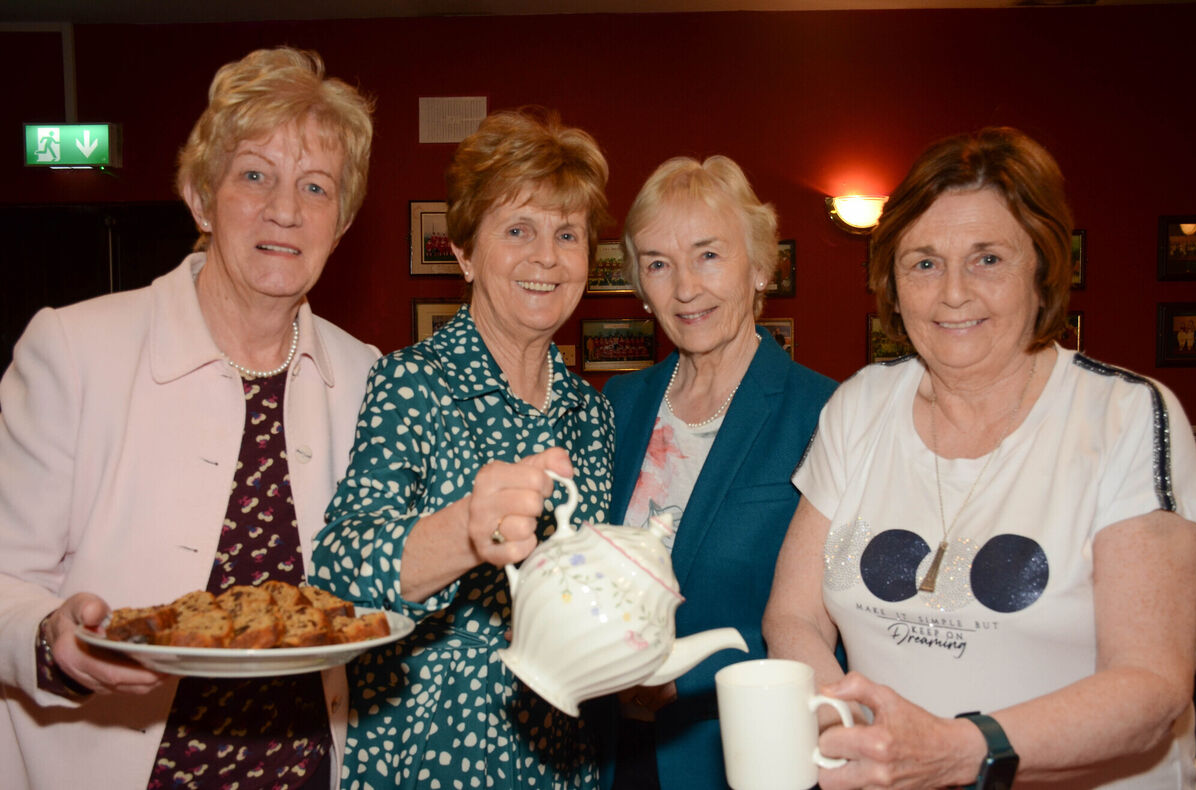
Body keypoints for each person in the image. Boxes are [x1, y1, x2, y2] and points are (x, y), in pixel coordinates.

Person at [763, 127, 1196, 789]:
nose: (953, 292)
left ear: (1043, 269)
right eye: (925, 262)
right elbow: (792, 616)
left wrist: (957, 749)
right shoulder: (859, 406)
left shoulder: (1127, 416)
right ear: (892, 279)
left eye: (988, 258)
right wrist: (855, 736)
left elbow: (1151, 687)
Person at [0, 47, 378, 789]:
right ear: (201, 199)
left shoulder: (364, 374)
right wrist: (51, 638)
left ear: (340, 222)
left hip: (302, 769)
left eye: (315, 186)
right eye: (254, 176)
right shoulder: (75, 349)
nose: (285, 209)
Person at [311, 107, 614, 790]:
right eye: (518, 230)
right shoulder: (412, 382)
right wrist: (465, 534)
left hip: (566, 759)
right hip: (433, 757)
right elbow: (338, 568)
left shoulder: (592, 414)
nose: (546, 256)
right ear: (465, 253)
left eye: (568, 234)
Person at [596, 155, 837, 789]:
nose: (684, 288)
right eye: (657, 263)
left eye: (708, 255)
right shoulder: (617, 406)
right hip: (609, 752)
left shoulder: (827, 413)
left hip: (740, 751)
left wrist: (684, 680)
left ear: (760, 267)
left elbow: (840, 627)